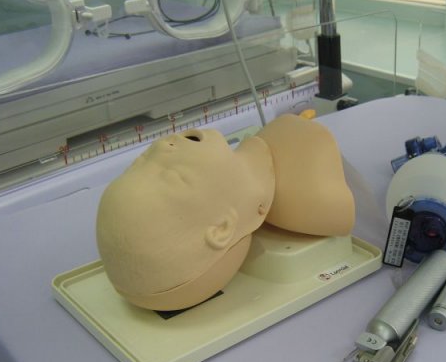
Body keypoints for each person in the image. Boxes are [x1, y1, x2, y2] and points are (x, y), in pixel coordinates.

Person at [96, 114, 355, 311]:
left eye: (140, 162)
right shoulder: (319, 196)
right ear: (222, 229)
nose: (161, 146)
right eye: (173, 176)